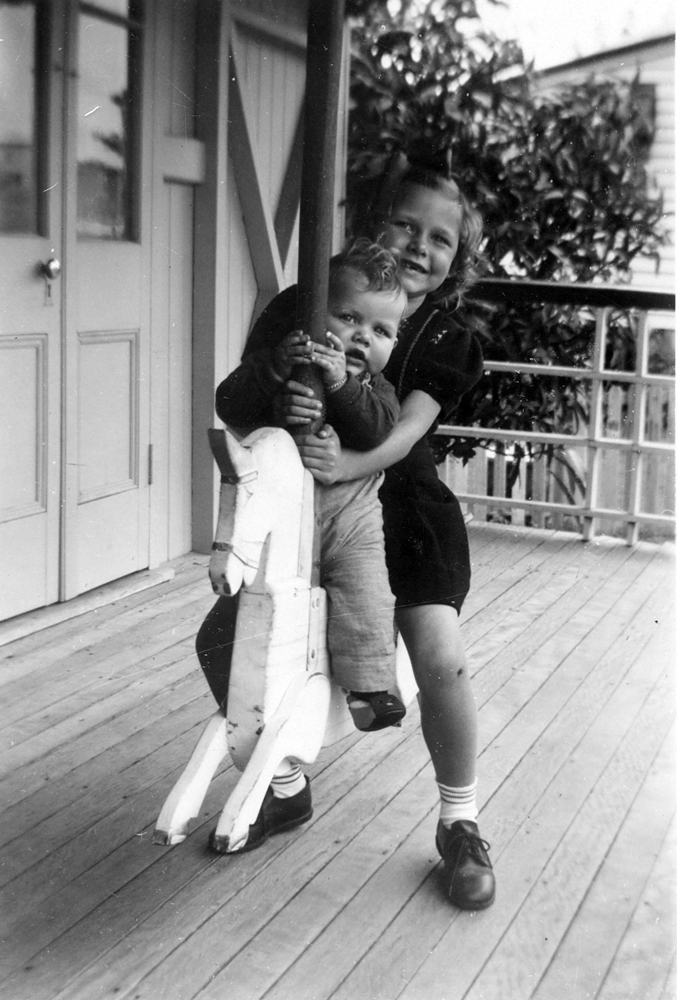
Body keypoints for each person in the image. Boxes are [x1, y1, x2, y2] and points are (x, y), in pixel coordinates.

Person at [284, 159, 496, 910]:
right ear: (374, 221)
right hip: (313, 509)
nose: (417, 245)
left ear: (455, 263)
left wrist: (343, 463)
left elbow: (406, 432)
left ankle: (459, 819)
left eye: (439, 239)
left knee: (442, 659)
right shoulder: (312, 303)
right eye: (404, 223)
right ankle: (280, 778)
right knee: (265, 640)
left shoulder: (444, 335)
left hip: (405, 513)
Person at [196, 240, 409, 852]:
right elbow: (229, 402)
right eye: (347, 318)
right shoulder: (284, 363)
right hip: (284, 527)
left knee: (364, 587)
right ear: (314, 318)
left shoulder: (379, 390)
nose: (362, 336)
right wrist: (271, 369)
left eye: (381, 329)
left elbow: (373, 428)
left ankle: (371, 687)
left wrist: (341, 387)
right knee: (218, 640)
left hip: (346, 516)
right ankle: (275, 753)